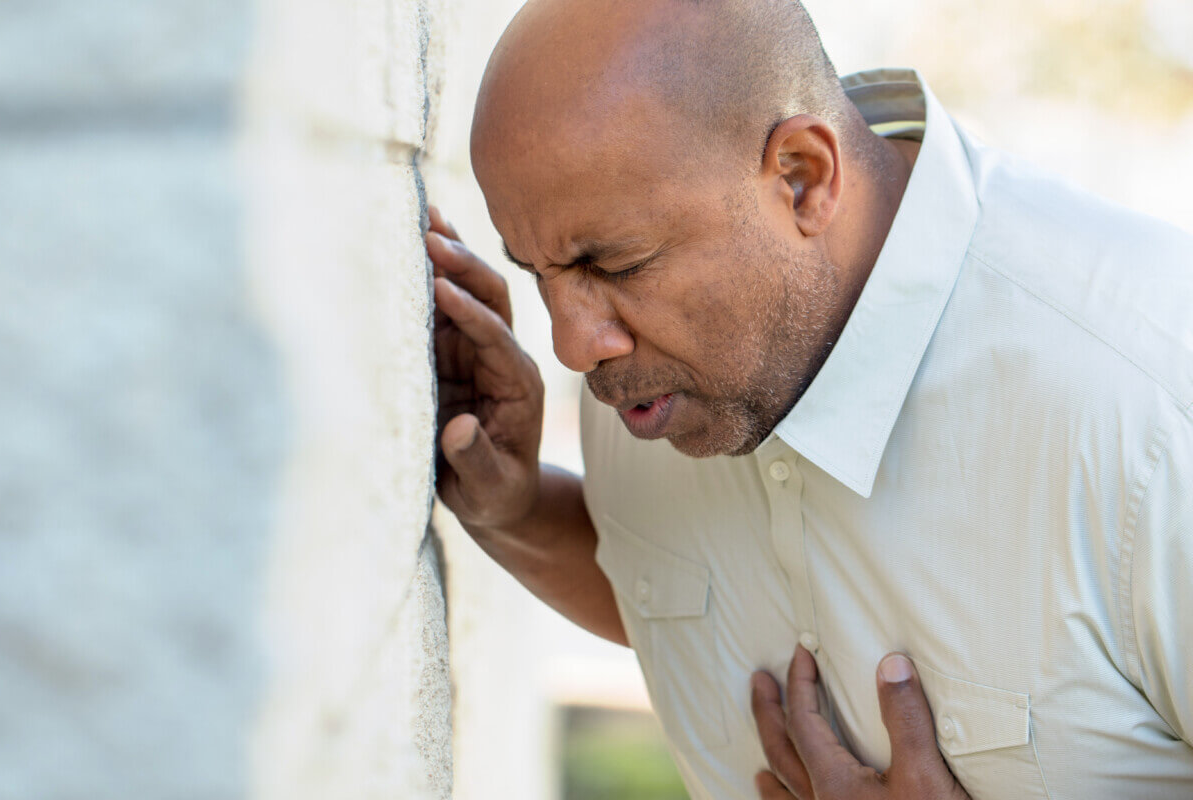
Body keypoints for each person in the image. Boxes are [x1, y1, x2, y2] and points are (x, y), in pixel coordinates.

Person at [428, 0, 1193, 797]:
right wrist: (516, 509)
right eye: (538, 273)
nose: (573, 345)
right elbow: (672, 582)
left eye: (615, 265)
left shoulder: (1152, 406)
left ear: (802, 178)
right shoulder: (656, 374)